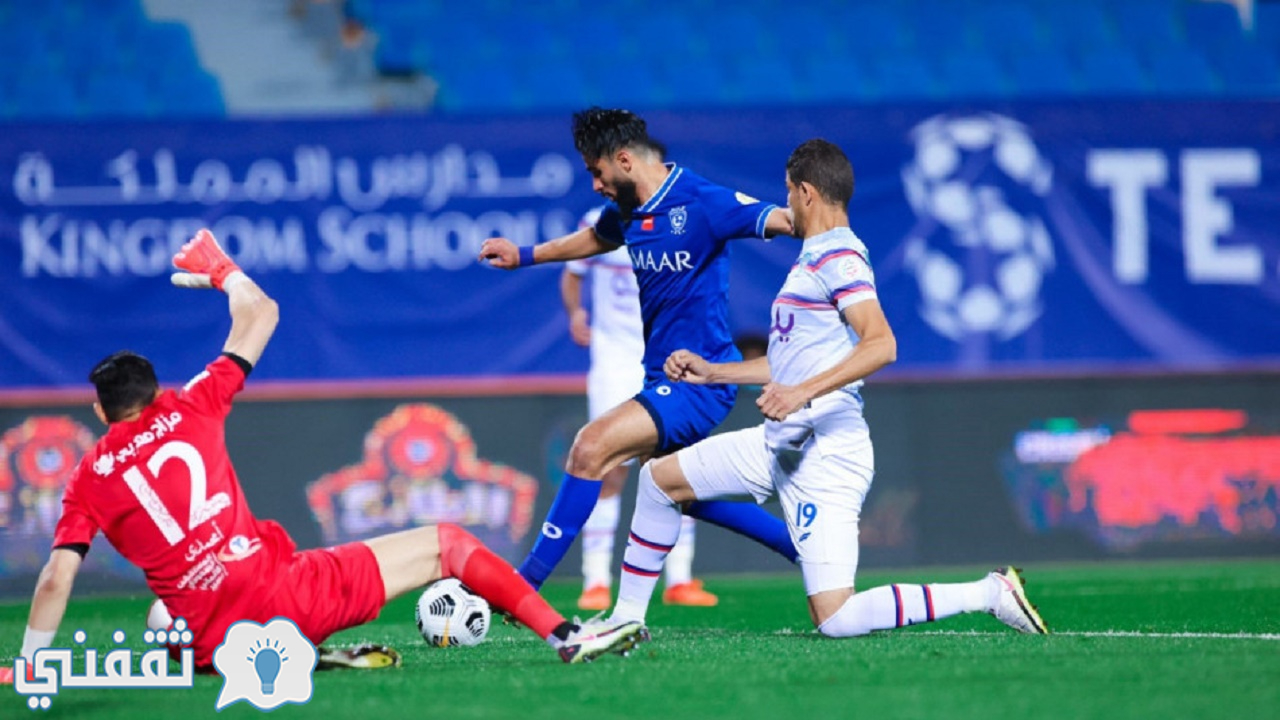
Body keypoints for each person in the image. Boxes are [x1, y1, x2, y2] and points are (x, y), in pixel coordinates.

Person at [0, 230, 644, 684]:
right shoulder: (189, 406)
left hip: (209, 634)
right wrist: (224, 272)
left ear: (100, 414)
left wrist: (29, 666)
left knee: (161, 615)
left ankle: (262, 656)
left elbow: (57, 578)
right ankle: (566, 636)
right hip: (285, 593)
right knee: (446, 541)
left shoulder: (87, 478)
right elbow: (262, 314)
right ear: (155, 393)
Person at [587, 139, 1049, 640]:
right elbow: (788, 363)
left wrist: (800, 393)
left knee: (835, 619)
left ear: (806, 192)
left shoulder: (841, 257)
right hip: (778, 444)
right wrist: (714, 372)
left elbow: (882, 344)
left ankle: (989, 593)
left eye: (788, 193)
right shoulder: (812, 259)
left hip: (826, 452)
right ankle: (626, 619)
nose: (786, 205)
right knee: (658, 481)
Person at [479, 107, 799, 592]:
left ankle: (522, 587)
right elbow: (594, 238)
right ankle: (801, 546)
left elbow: (786, 222)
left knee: (590, 447)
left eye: (595, 171)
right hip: (657, 378)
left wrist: (828, 230)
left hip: (698, 383)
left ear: (624, 160)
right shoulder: (627, 210)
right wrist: (524, 255)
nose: (594, 184)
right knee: (673, 487)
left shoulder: (702, 201)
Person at [562, 206, 716, 611]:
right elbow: (572, 274)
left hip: (665, 356)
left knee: (672, 464)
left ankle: (679, 578)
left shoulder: (679, 219)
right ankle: (595, 580)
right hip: (614, 358)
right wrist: (576, 312)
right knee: (608, 467)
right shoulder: (599, 219)